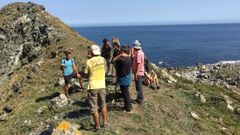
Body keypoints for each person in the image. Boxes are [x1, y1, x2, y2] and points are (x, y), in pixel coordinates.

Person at [84, 45, 109, 131]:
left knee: (94, 107)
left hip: (93, 86)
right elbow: (106, 71)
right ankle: (105, 122)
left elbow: (86, 75)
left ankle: (97, 126)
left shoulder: (89, 61)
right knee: (103, 104)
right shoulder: (103, 59)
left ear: (92, 52)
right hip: (102, 84)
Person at [113, 45, 132, 112]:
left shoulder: (121, 60)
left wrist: (120, 55)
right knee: (126, 93)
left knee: (125, 93)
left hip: (123, 79)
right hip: (128, 77)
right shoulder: (129, 58)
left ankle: (128, 108)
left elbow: (113, 60)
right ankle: (129, 105)